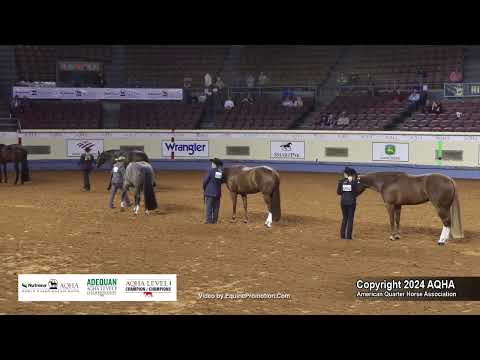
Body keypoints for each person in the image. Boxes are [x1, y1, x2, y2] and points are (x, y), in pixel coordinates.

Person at [337, 167, 360, 240]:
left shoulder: (341, 181)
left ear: (345, 174)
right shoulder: (354, 182)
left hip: (343, 202)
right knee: (350, 219)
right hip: (351, 202)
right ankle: (348, 236)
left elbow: (338, 192)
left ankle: (342, 235)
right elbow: (356, 192)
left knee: (344, 218)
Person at [203, 158, 224, 224]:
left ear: (215, 164)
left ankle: (209, 221)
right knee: (216, 207)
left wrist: (204, 188)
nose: (211, 164)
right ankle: (215, 220)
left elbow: (205, 181)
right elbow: (218, 182)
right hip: (217, 192)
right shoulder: (220, 172)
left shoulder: (210, 171)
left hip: (209, 192)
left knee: (209, 207)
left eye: (212, 163)